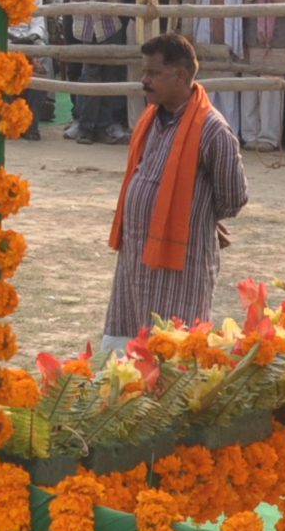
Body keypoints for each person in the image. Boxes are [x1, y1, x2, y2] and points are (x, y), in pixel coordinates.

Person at [102, 31, 248, 336]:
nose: (144, 80)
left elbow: (232, 199)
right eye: (144, 72)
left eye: (153, 73)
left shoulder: (212, 130)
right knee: (131, 353)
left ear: (180, 76)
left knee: (173, 351)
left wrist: (196, 214)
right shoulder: (151, 119)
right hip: (137, 258)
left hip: (181, 265)